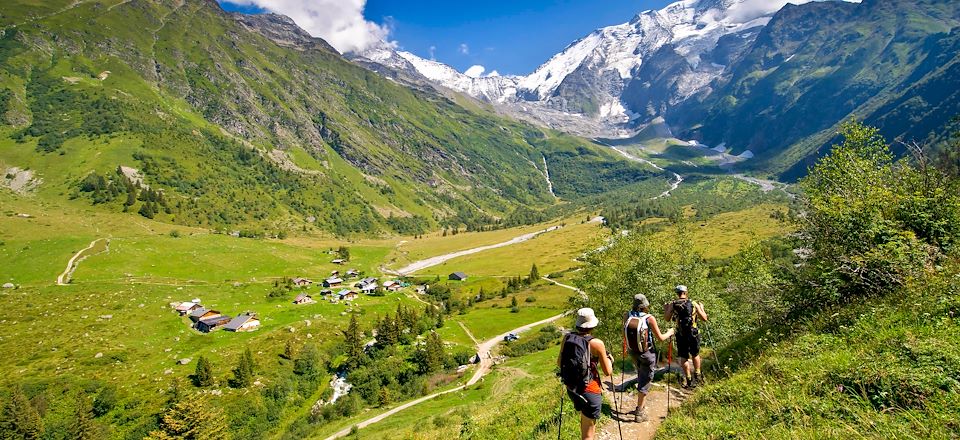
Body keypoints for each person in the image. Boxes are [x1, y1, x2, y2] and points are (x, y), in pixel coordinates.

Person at [558, 308, 613, 440]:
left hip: (572, 388)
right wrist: (610, 359)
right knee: (588, 435)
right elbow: (608, 372)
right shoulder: (597, 343)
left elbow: (559, 363)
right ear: (593, 325)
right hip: (590, 390)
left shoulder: (567, 338)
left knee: (585, 421)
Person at [623, 294, 674, 422]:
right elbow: (661, 338)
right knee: (645, 380)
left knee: (641, 374)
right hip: (647, 352)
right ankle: (639, 412)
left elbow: (623, 332)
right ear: (645, 305)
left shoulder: (627, 315)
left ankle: (640, 404)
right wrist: (670, 332)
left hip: (633, 351)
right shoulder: (649, 318)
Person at [664, 285, 708, 388]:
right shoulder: (693, 303)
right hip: (693, 333)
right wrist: (702, 308)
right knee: (695, 354)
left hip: (681, 334)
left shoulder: (673, 304)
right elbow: (704, 318)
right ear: (686, 292)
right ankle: (697, 375)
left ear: (677, 293)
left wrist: (666, 309)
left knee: (683, 357)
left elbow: (667, 319)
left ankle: (688, 379)